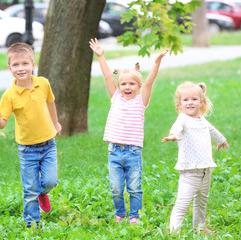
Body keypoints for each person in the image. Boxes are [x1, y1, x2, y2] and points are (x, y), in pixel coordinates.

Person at [89, 38, 168, 224]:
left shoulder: (141, 102)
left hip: (133, 152)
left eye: (132, 84)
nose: (127, 87)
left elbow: (149, 82)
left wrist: (156, 62)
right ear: (119, 86)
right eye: (123, 84)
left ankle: (134, 216)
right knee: (116, 188)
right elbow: (108, 77)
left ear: (139, 87)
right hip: (114, 151)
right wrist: (101, 56)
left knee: (134, 187)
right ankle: (120, 214)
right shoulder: (115, 98)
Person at [0, 42, 62, 229]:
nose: (20, 68)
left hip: (48, 144)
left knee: (51, 181)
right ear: (9, 68)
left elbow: (50, 103)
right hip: (27, 149)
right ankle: (32, 225)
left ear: (33, 64)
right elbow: (3, 123)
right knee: (29, 190)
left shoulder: (43, 83)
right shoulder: (9, 95)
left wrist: (56, 123)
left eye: (24, 64)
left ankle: (42, 192)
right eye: (15, 65)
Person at [162, 81, 229, 235]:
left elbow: (212, 130)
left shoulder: (202, 119)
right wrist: (173, 135)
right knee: (182, 204)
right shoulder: (183, 119)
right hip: (189, 172)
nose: (190, 103)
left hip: (206, 170)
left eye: (194, 99)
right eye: (186, 100)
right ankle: (174, 232)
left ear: (201, 102)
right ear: (179, 104)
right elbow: (176, 128)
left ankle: (199, 227)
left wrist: (222, 140)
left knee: (201, 202)